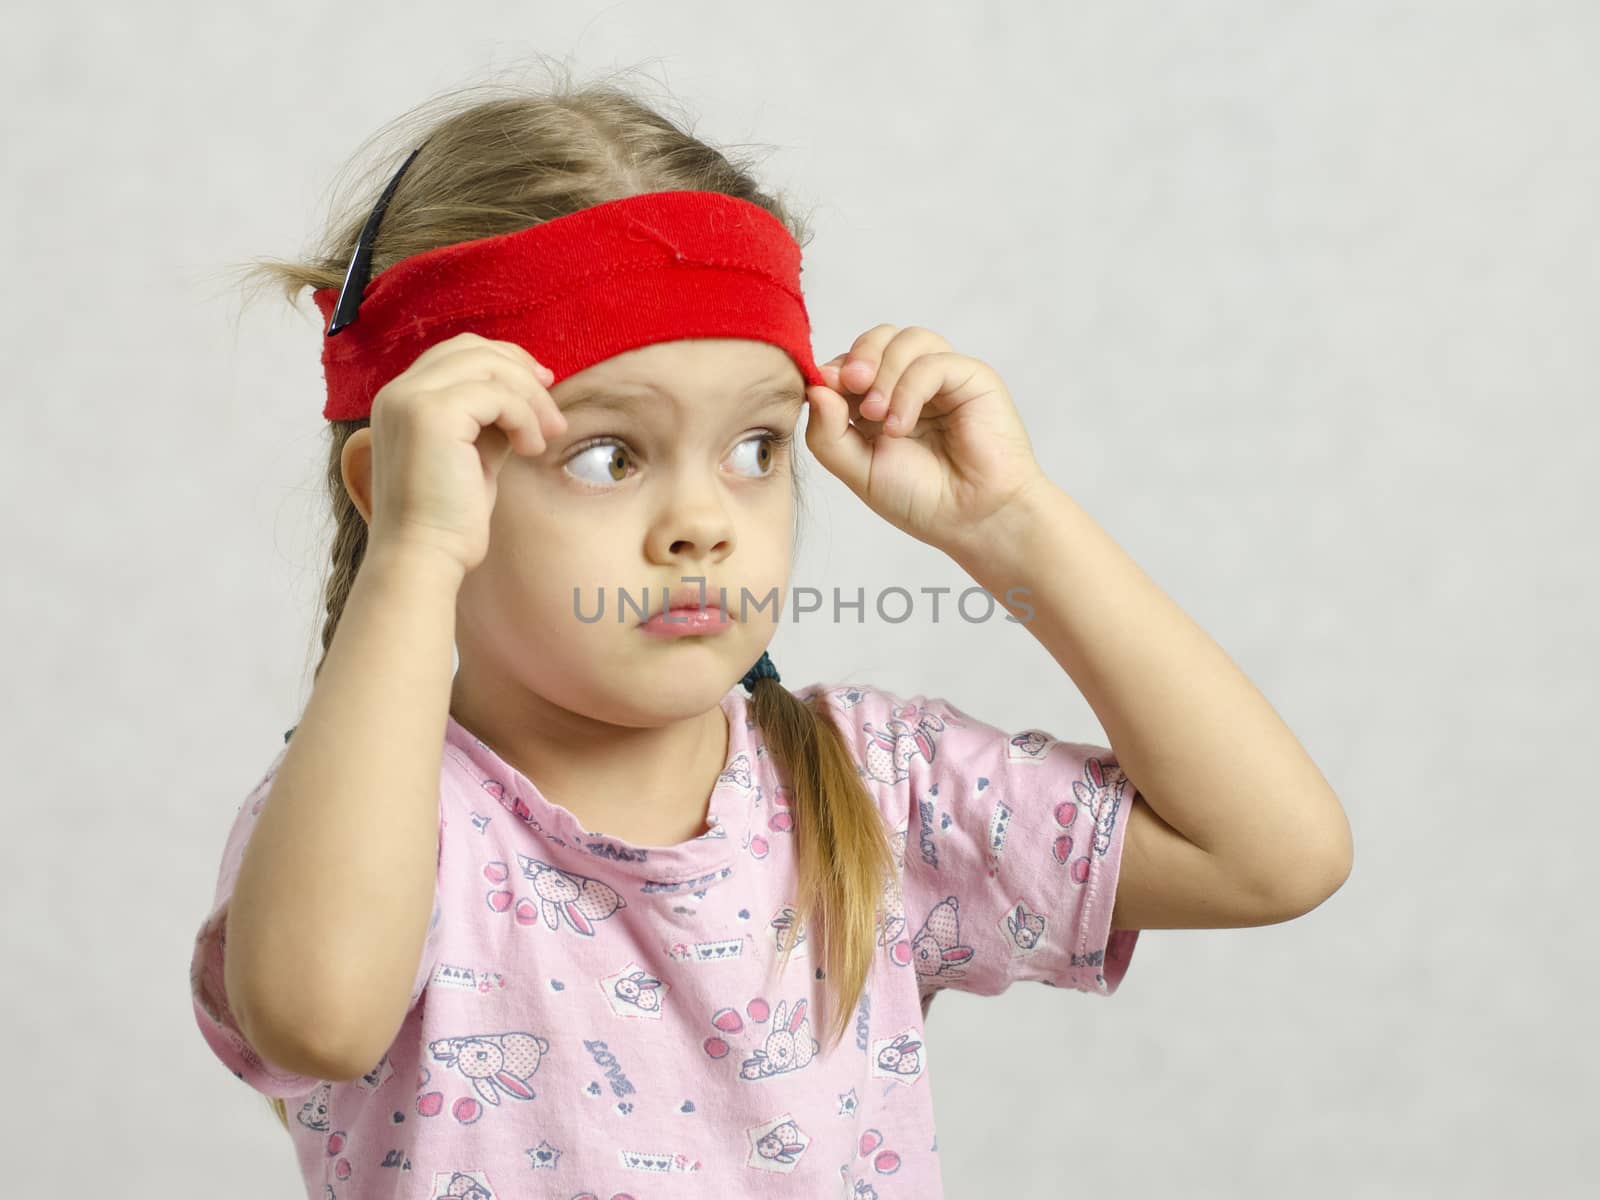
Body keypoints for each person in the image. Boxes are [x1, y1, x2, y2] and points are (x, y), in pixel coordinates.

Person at [190, 66, 1351, 1199]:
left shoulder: (873, 791)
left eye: (754, 449)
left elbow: (1273, 856)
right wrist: (411, 559)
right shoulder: (378, 820)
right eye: (607, 456)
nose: (701, 523)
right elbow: (319, 1015)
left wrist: (1012, 526)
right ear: (409, 487)